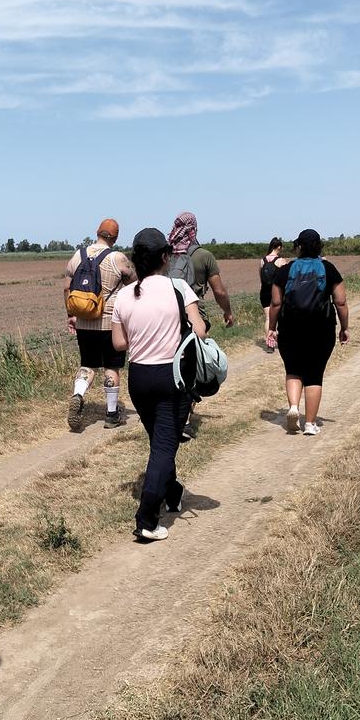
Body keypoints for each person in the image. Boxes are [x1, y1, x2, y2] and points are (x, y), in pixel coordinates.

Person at [112, 227, 206, 541]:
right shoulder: (178, 288)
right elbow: (200, 331)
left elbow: (119, 343)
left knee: (160, 441)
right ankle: (147, 520)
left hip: (139, 378)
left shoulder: (124, 296)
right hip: (171, 377)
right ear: (165, 257)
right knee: (165, 446)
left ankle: (173, 492)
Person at [266, 228, 349, 436]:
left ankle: (294, 407)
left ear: (299, 247)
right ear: (319, 246)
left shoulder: (285, 270)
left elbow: (275, 303)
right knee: (314, 374)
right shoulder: (328, 268)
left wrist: (272, 328)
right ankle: (310, 424)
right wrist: (344, 327)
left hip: (290, 328)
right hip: (321, 329)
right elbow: (340, 301)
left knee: (293, 370)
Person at [167, 211, 235, 441]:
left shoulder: (165, 254)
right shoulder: (204, 255)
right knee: (191, 364)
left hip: (166, 316)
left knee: (170, 362)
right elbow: (219, 290)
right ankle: (185, 419)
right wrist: (227, 311)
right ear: (194, 229)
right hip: (195, 316)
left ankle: (170, 411)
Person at [64, 219, 134, 431]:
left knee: (87, 364)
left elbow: (66, 288)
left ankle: (78, 394)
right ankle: (111, 414)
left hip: (84, 322)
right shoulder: (118, 258)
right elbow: (135, 283)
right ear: (116, 237)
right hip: (110, 323)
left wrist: (72, 315)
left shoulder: (78, 255)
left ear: (97, 232)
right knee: (111, 367)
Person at [259, 237, 288, 347]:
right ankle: (280, 340)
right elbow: (286, 279)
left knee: (268, 318)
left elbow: (261, 278)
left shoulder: (262, 261)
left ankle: (269, 344)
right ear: (279, 247)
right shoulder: (281, 261)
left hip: (264, 292)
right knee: (279, 317)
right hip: (277, 292)